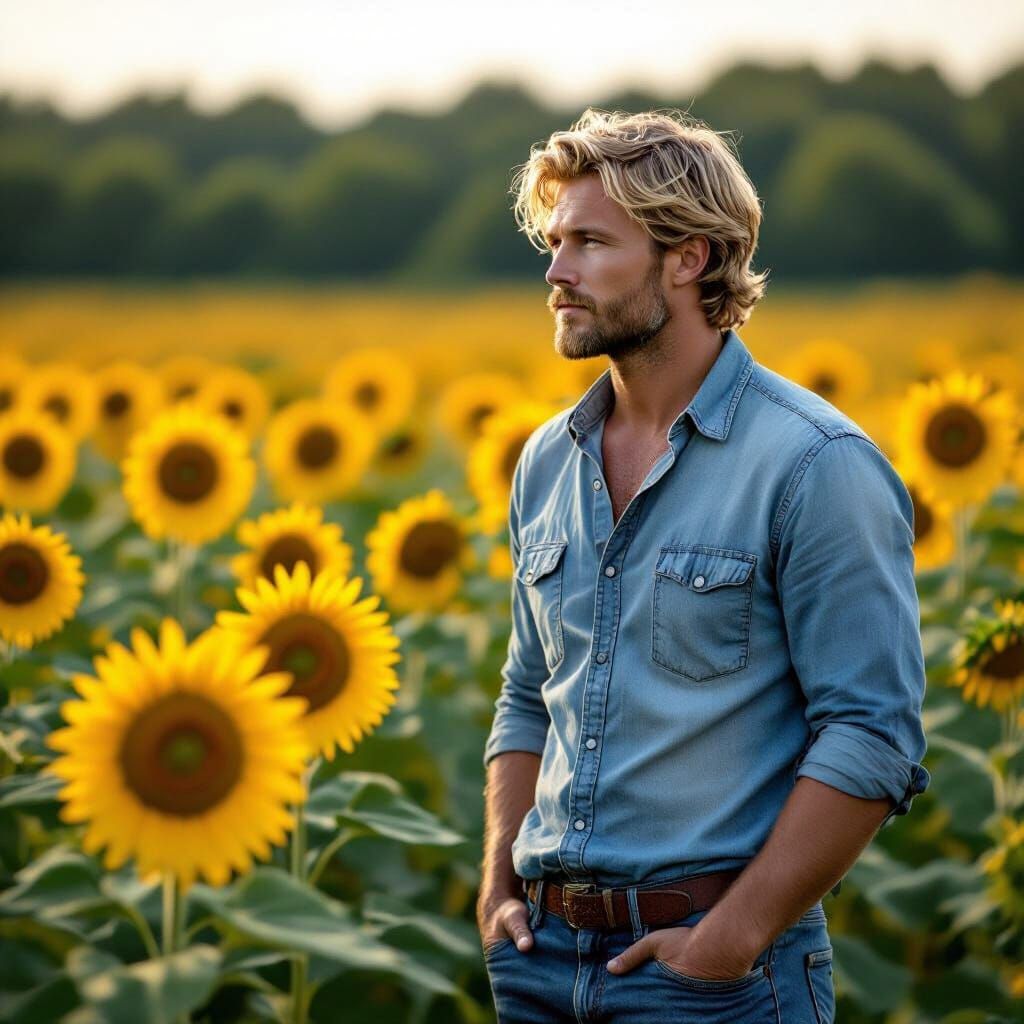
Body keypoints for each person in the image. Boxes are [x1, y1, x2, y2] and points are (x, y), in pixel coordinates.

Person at [476, 108, 930, 1023]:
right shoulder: (546, 460)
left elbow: (872, 735)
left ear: (687, 258)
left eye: (591, 243)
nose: (557, 272)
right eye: (554, 242)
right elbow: (530, 693)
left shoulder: (815, 463)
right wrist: (496, 889)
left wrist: (729, 942)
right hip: (538, 964)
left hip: (713, 976)